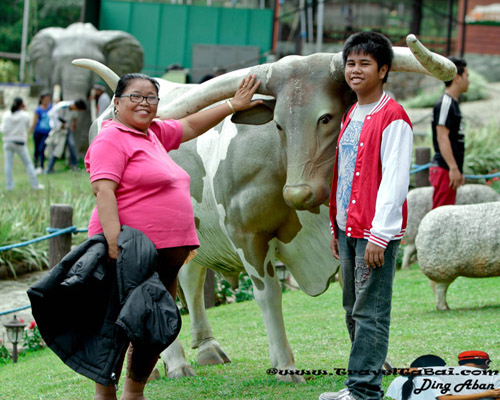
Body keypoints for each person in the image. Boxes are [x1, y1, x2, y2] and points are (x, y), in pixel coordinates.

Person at [85, 72, 262, 400]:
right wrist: (113, 246)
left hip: (165, 256)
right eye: (135, 97)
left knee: (156, 325)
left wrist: (232, 105)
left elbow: (192, 126)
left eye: (151, 97)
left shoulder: (152, 134)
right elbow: (104, 192)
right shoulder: (112, 138)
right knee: (116, 326)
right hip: (127, 251)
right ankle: (105, 396)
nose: (144, 103)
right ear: (116, 102)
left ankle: (133, 392)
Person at [321, 31, 414, 400]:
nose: (355, 70)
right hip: (348, 227)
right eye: (351, 63)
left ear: (384, 69)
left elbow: (394, 180)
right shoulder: (353, 112)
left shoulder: (393, 117)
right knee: (352, 307)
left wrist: (380, 234)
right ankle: (359, 385)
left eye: (365, 64)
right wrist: (336, 224)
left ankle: (364, 391)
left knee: (370, 312)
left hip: (373, 232)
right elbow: (344, 173)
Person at [430, 57, 469, 209]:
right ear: (457, 77)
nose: (468, 80)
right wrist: (453, 168)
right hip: (444, 168)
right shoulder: (445, 103)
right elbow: (442, 136)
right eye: (467, 76)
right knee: (441, 214)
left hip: (450, 169)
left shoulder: (453, 103)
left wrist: (457, 169)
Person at [1, 97, 44, 190]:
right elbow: (29, 126)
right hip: (20, 142)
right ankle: (35, 185)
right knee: (28, 164)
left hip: (8, 141)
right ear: (22, 105)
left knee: (8, 165)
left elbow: (3, 129)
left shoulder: (7, 115)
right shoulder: (25, 115)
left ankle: (9, 186)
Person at [427, 351, 500, 400]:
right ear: (486, 362)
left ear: (459, 363)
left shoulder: (441, 375)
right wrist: (487, 394)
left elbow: (443, 398)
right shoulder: (495, 377)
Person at [45, 98, 87, 173]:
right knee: (57, 149)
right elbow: (51, 114)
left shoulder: (74, 109)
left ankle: (75, 166)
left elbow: (74, 117)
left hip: (66, 130)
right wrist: (59, 124)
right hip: (58, 130)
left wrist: (73, 124)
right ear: (76, 107)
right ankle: (49, 168)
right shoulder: (62, 106)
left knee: (72, 146)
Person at [29, 91, 52, 173]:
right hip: (38, 132)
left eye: (48, 99)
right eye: (45, 99)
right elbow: (34, 122)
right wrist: (29, 132)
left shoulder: (51, 107)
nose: (47, 100)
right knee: (36, 149)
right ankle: (35, 165)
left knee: (41, 149)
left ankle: (41, 166)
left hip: (46, 133)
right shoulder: (38, 110)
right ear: (42, 100)